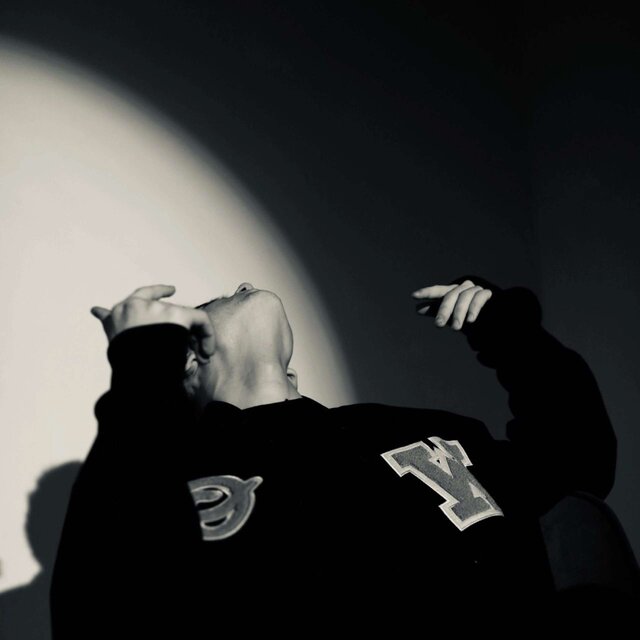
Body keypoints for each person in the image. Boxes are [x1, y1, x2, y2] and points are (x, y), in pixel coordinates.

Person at [49, 274, 618, 636]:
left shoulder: (407, 431)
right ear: (191, 361)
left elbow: (579, 461)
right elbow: (99, 610)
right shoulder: (182, 483)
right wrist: (140, 374)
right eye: (220, 299)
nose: (243, 282)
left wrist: (509, 335)